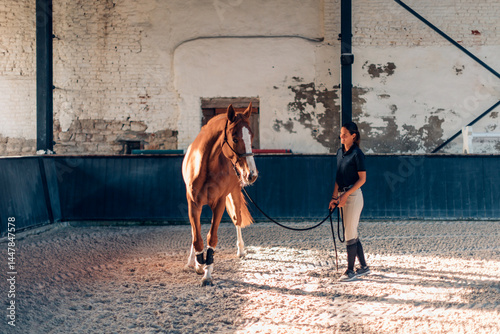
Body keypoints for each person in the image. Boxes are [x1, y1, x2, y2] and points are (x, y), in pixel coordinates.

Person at [329, 121, 370, 282]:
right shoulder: (340, 153)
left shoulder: (357, 154)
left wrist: (345, 196)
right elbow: (338, 177)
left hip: (353, 196)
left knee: (349, 233)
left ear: (353, 136)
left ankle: (350, 270)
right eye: (341, 134)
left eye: (345, 134)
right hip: (341, 195)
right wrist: (334, 197)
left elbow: (362, 179)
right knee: (352, 231)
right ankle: (364, 267)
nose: (342, 137)